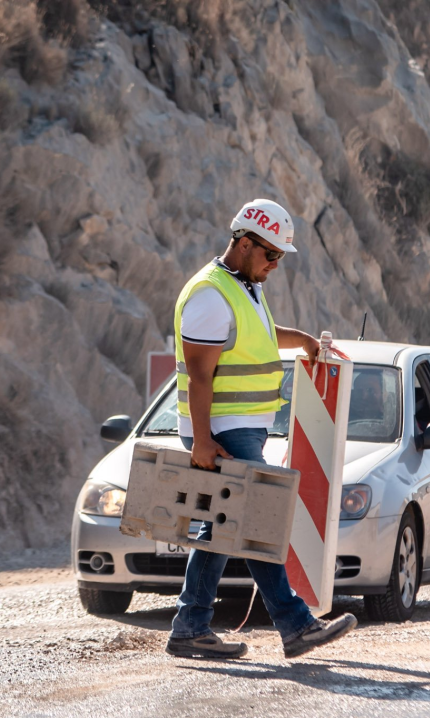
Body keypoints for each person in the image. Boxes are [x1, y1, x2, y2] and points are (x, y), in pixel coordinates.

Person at [166, 198, 357, 660]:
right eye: (270, 254)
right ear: (244, 243)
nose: (275, 264)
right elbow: (199, 376)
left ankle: (190, 627)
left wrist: (303, 340)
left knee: (221, 530)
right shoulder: (210, 295)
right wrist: (203, 441)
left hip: (241, 430)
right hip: (222, 433)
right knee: (257, 522)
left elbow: (261, 335)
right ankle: (295, 624)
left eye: (279, 257)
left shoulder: (243, 286)